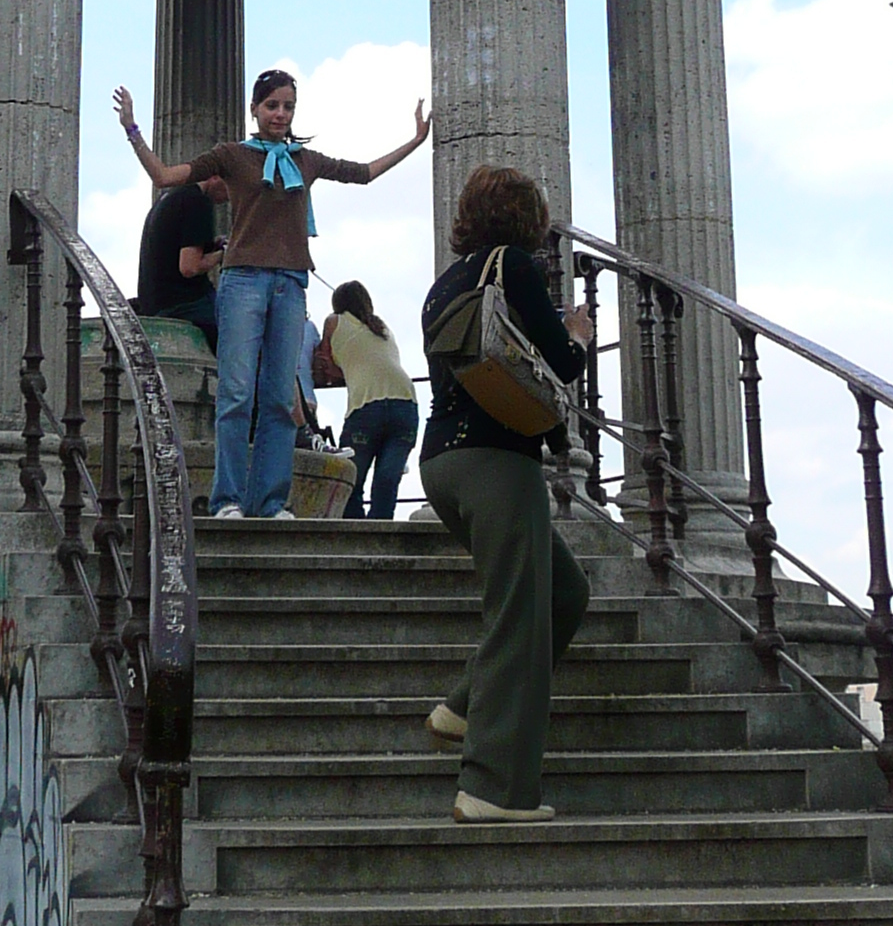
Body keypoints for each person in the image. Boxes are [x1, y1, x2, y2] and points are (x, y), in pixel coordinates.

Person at [113, 69, 430, 520]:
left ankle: (271, 501)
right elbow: (165, 176)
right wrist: (132, 129)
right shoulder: (232, 156)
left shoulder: (306, 160)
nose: (280, 114)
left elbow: (363, 174)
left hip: (290, 284)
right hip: (243, 282)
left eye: (288, 107)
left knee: (280, 398)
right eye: (272, 106)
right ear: (255, 110)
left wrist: (415, 141)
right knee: (237, 394)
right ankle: (228, 500)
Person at [418, 166, 593, 822]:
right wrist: (574, 330)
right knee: (518, 615)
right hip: (496, 460)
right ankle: (492, 789)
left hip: (443, 462)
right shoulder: (514, 268)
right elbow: (562, 366)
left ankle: (462, 708)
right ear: (528, 220)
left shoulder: (445, 285)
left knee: (563, 592)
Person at [322, 281, 419, 521]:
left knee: (350, 480)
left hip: (366, 407)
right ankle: (380, 535)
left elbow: (325, 365)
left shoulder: (333, 322)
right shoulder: (381, 326)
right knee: (387, 481)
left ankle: (357, 535)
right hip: (406, 404)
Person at [132, 171, 227, 348]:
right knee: (249, 333)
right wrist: (224, 253)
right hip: (185, 303)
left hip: (155, 302)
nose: (232, 194)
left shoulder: (170, 197)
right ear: (215, 176)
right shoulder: (198, 202)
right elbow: (190, 267)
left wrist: (211, 247)